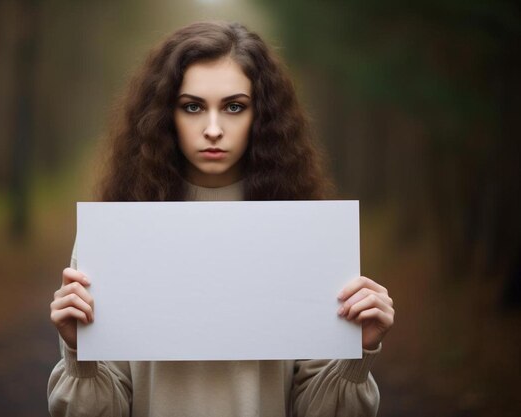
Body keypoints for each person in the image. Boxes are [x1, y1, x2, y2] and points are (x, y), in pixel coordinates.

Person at [48, 21, 395, 417]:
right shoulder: (116, 234)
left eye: (234, 107)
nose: (213, 129)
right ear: (165, 114)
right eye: (192, 106)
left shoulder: (303, 232)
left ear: (261, 114)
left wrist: (358, 353)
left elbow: (318, 409)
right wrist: (79, 353)